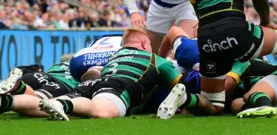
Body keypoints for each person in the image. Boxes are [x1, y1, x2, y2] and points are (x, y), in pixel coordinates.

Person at [39, 28, 202, 120]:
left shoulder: (113, 55)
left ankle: (17, 99)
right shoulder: (155, 59)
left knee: (40, 102)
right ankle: (63, 104)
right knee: (103, 112)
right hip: (120, 85)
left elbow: (94, 73)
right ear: (144, 43)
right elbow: (180, 86)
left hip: (97, 83)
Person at [0, 62, 81, 120]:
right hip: (63, 83)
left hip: (38, 75)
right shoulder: (85, 70)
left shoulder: (60, 65)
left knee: (18, 93)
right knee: (39, 101)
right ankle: (19, 88)